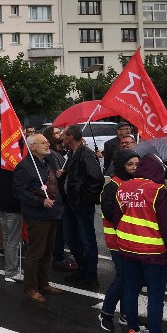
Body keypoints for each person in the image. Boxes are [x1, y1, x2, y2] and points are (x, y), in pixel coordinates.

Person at [113, 153, 167, 333]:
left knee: (131, 288)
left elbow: (118, 217)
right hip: (153, 251)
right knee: (155, 295)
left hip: (127, 247)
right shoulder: (157, 191)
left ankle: (133, 330)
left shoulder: (123, 187)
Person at [13, 134, 64, 303]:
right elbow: (20, 192)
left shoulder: (45, 163)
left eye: (47, 142)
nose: (47, 144)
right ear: (33, 147)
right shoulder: (24, 167)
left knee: (47, 252)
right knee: (35, 253)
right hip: (37, 217)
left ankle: (43, 283)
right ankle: (31, 288)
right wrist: (41, 202)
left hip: (52, 215)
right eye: (43, 142)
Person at [98, 149, 139, 332]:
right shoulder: (112, 186)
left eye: (137, 164)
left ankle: (126, 314)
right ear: (121, 165)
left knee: (132, 279)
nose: (133, 168)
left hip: (132, 240)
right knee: (123, 278)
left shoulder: (135, 183)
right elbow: (108, 213)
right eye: (129, 164)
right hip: (117, 240)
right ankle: (106, 313)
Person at [60, 125, 105, 289]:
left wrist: (83, 199)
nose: (61, 138)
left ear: (71, 136)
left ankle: (91, 275)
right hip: (70, 203)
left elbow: (97, 179)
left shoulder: (85, 153)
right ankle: (82, 268)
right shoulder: (71, 154)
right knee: (71, 238)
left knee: (87, 240)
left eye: (64, 135)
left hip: (81, 205)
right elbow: (76, 177)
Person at [42, 126, 78, 273]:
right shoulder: (51, 154)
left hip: (63, 198)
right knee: (60, 231)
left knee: (62, 230)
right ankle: (58, 259)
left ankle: (60, 257)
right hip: (59, 198)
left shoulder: (58, 152)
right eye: (56, 133)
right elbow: (56, 176)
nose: (60, 134)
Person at [0, 146, 23, 282]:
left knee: (8, 238)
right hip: (13, 206)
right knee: (13, 239)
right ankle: (11, 271)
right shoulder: (15, 162)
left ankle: (11, 267)